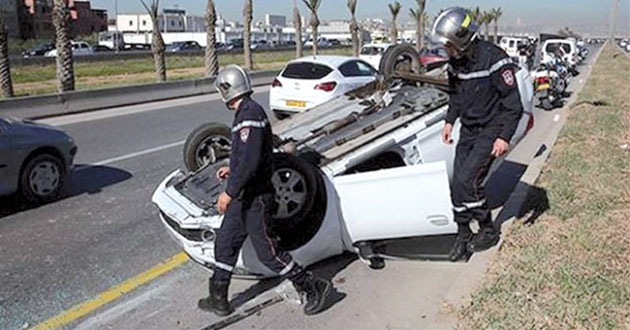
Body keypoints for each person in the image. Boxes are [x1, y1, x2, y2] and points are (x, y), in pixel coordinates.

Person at [197, 65, 331, 316]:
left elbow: (250, 162)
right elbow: (249, 155)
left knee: (268, 253)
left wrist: (229, 191)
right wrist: (230, 168)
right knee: (225, 243)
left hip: (255, 198)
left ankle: (312, 286)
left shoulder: (250, 114)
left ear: (227, 89)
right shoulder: (245, 114)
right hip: (243, 197)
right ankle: (218, 297)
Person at [431, 7, 524, 261]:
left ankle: (487, 228)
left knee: (468, 182)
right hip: (469, 130)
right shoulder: (456, 64)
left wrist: (504, 137)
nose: (446, 50)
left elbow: (513, 104)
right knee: (457, 184)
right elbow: (456, 97)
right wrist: (450, 121)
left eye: (448, 44)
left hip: (491, 129)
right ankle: (463, 232)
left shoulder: (495, 60)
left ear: (462, 39)